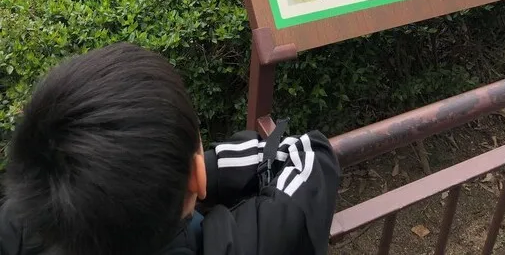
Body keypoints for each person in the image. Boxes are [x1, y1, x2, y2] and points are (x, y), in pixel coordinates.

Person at [0, 43, 340, 255]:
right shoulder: (244, 244)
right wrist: (183, 170)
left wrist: (167, 171)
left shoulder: (15, 227)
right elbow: (308, 155)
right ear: (197, 176)